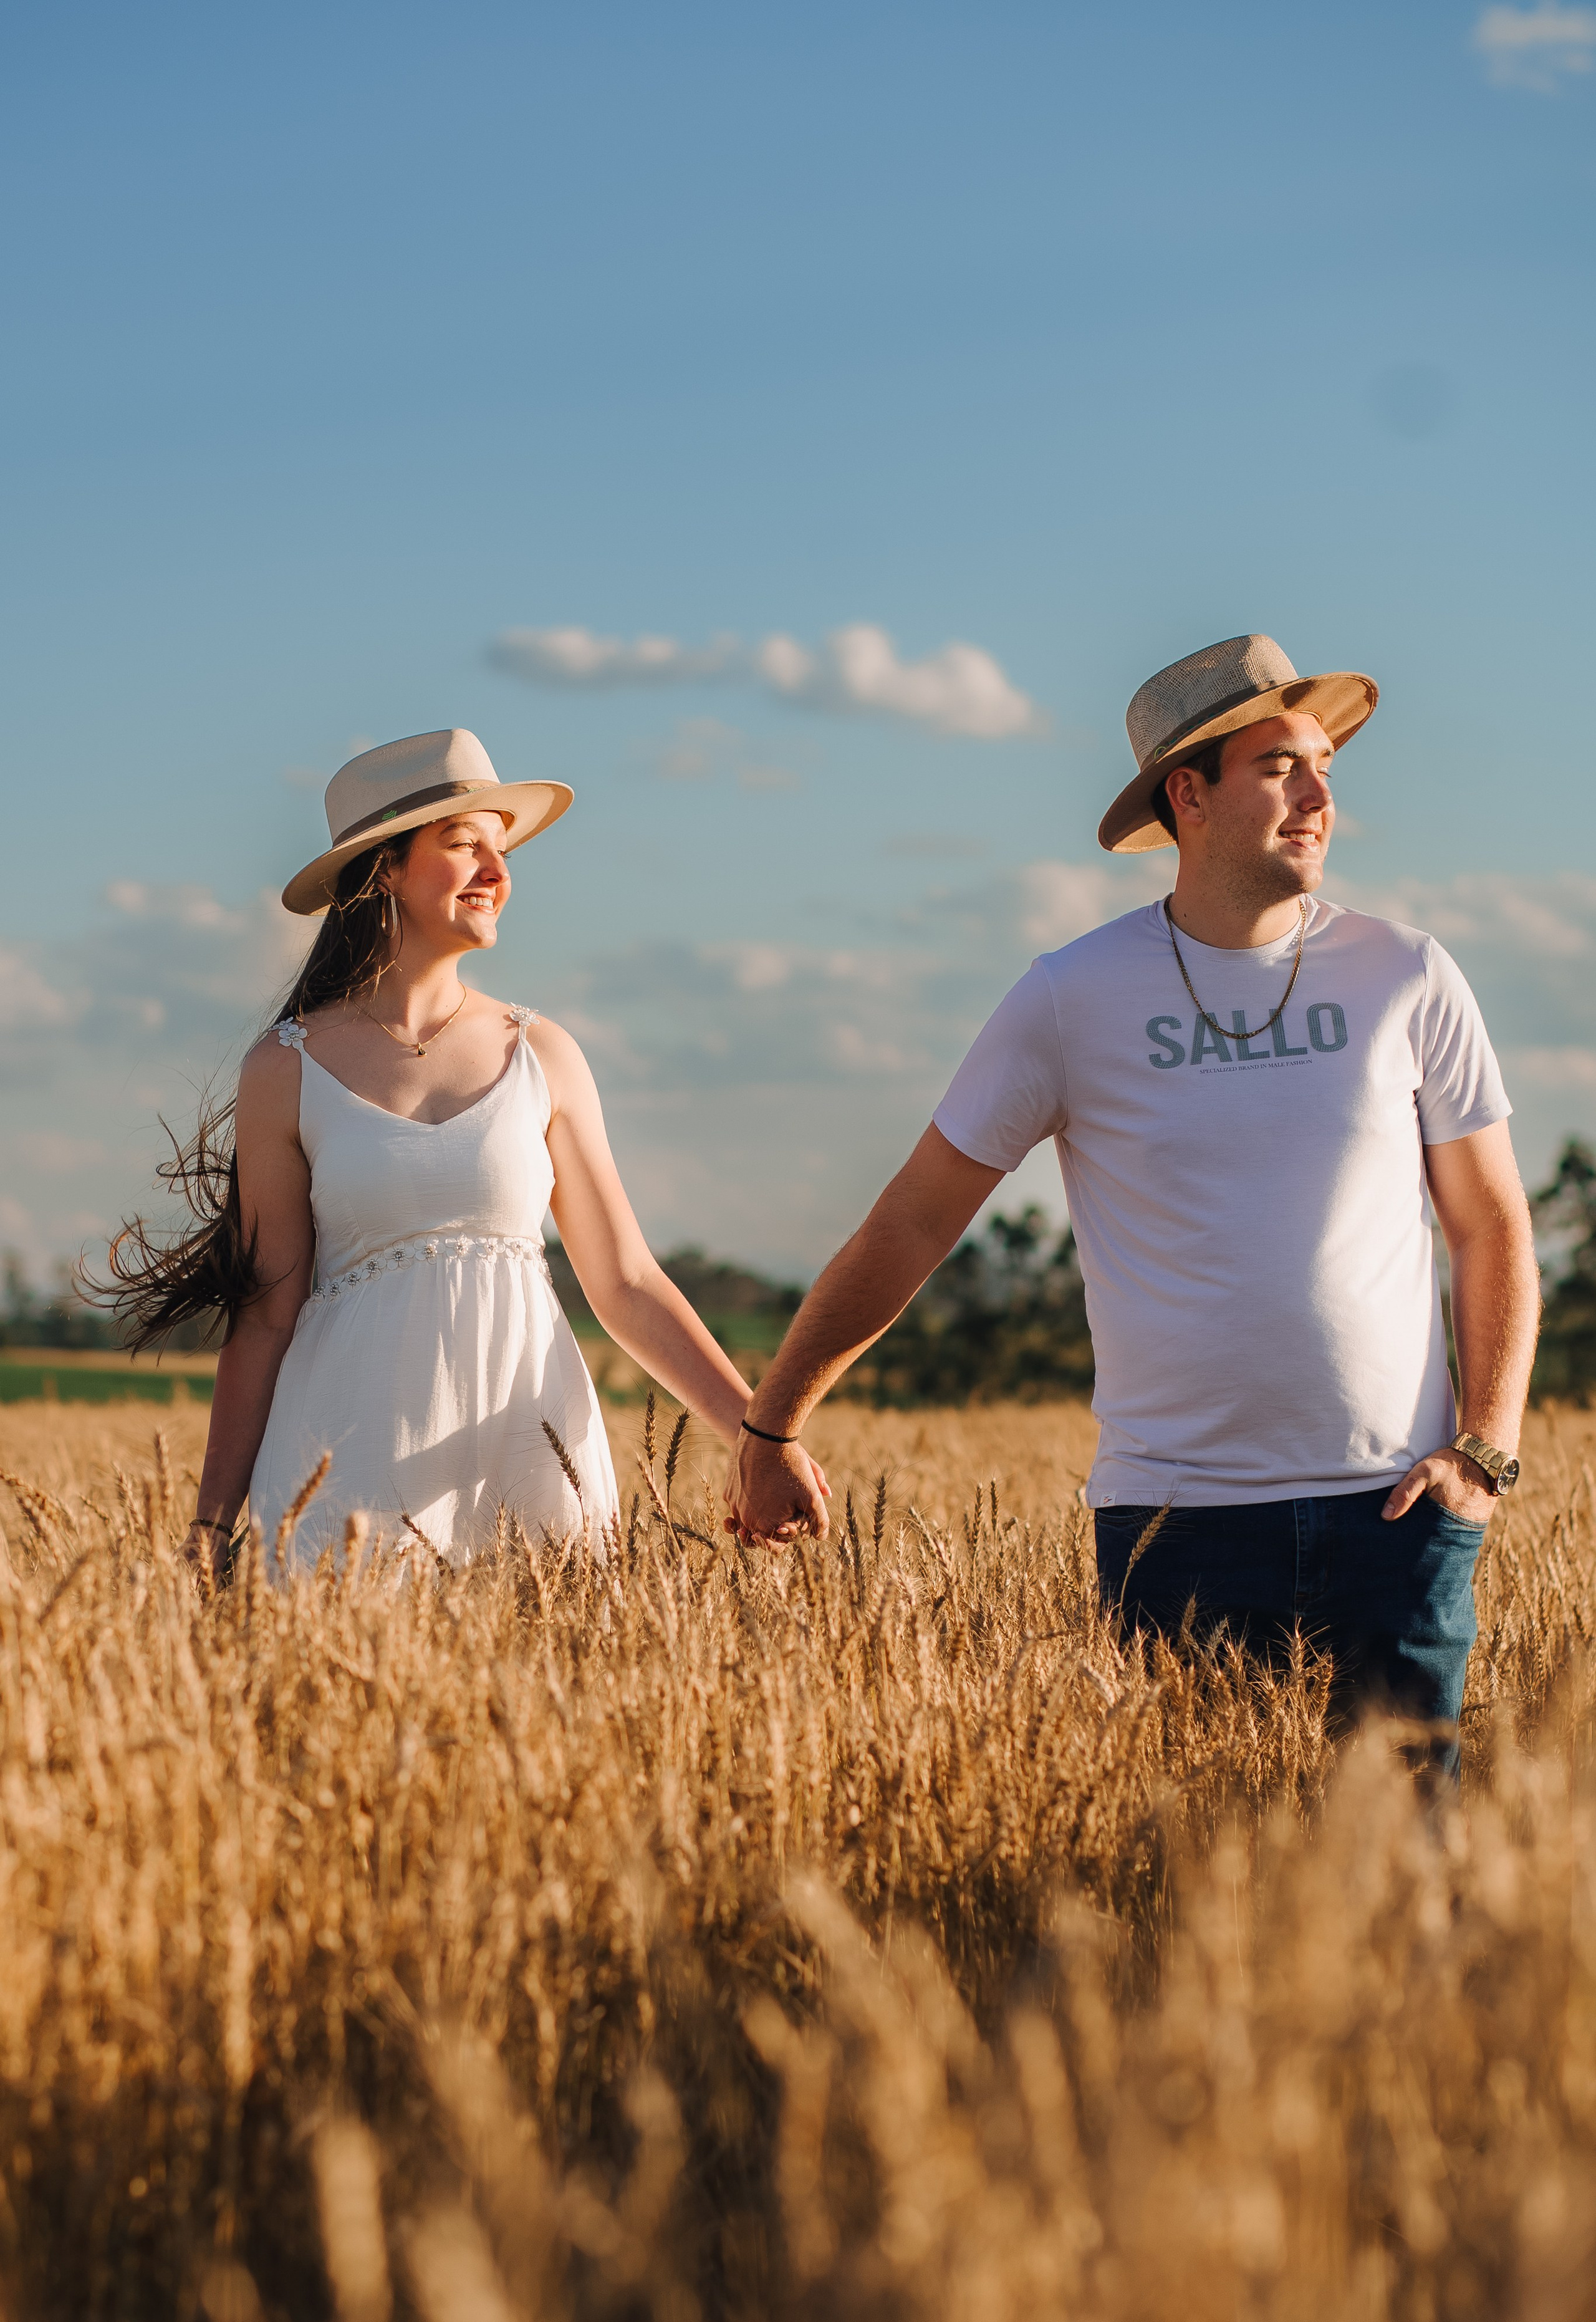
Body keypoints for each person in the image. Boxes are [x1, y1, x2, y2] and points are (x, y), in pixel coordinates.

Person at [726, 633, 1541, 1755]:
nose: (1318, 797)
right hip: (1177, 1531)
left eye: (1326, 770)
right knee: (1193, 1898)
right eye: (1280, 768)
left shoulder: (1408, 972)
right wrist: (773, 1424)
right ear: (1189, 796)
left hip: (1397, 1517)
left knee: (1407, 1887)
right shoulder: (1071, 997)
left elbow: (1490, 1223)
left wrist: (1485, 1451)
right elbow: (912, 1222)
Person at [101, 728, 764, 1574]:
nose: (498, 870)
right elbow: (267, 1314)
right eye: (463, 844)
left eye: (502, 846)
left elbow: (627, 1283)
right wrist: (213, 1527)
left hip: (530, 1456)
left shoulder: (544, 1053)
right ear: (385, 870)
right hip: (344, 1469)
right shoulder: (285, 1067)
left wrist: (756, 1435)